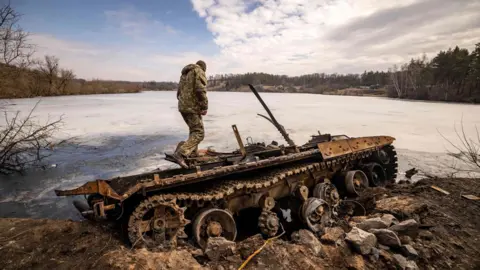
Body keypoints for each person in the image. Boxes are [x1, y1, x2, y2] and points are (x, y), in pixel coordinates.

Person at [171, 60, 208, 168]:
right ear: (203, 68)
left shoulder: (185, 73)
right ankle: (180, 153)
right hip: (192, 107)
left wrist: (184, 103)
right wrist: (204, 106)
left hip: (182, 106)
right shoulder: (198, 70)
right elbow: (200, 90)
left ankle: (192, 153)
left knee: (193, 130)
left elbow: (178, 92)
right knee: (199, 133)